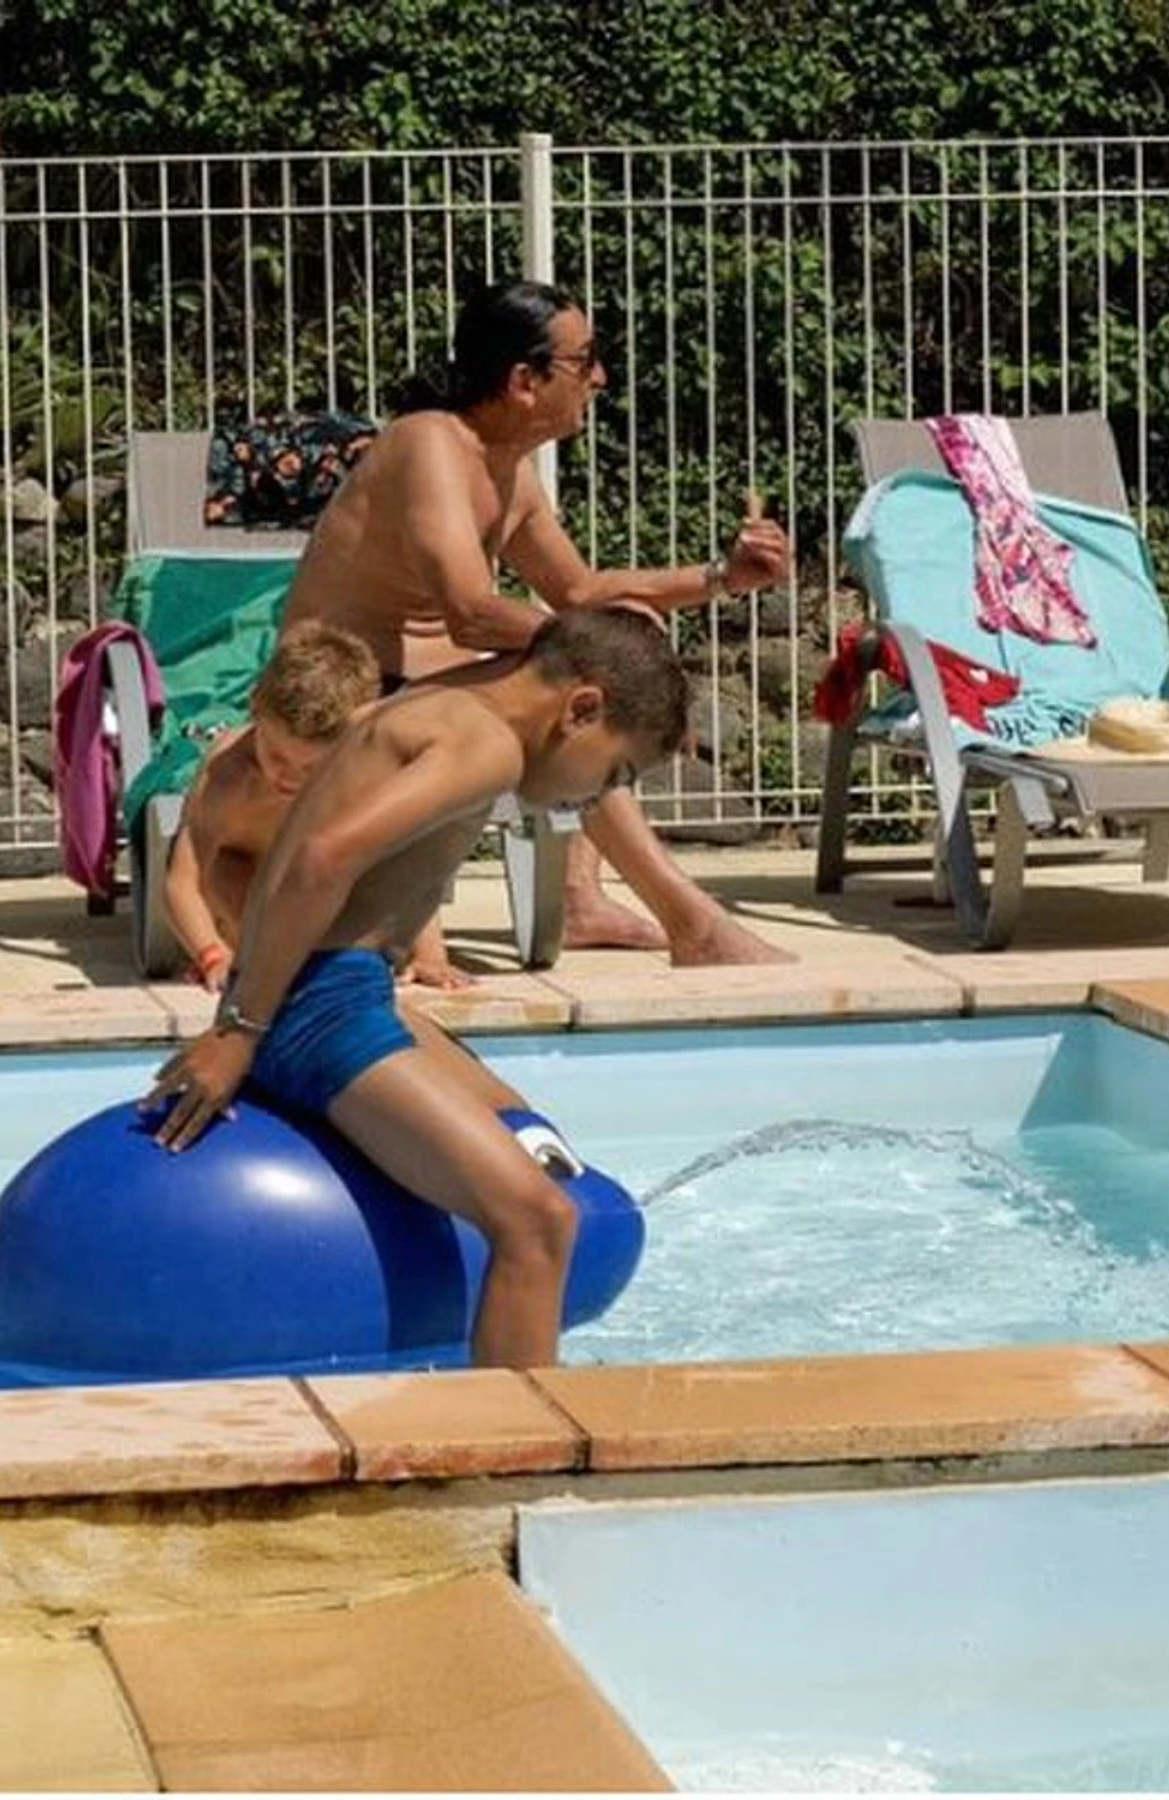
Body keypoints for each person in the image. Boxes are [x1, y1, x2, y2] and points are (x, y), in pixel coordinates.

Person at [145, 606, 689, 1368]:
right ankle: (519, 1432)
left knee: (514, 1120)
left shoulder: (444, 701)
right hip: (318, 1009)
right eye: (613, 774)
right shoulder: (489, 746)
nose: (595, 798)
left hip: (344, 991)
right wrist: (240, 1030)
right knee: (539, 1223)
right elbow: (323, 859)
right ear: (581, 709)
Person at [280, 278, 792, 966]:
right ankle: (685, 919)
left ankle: (589, 898)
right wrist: (615, 653)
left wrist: (722, 577)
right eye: (586, 361)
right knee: (595, 676)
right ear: (525, 380)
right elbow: (470, 612)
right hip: (339, 690)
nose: (600, 378)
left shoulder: (508, 471)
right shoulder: (429, 444)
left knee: (608, 655)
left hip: (420, 684)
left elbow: (577, 589)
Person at [161, 620, 466, 993]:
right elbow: (181, 883)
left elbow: (405, 862)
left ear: (357, 735)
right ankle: (253, 952)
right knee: (231, 876)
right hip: (247, 888)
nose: (286, 776)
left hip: (318, 881)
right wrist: (211, 954)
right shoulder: (228, 776)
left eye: (310, 768)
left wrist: (429, 955)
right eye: (275, 754)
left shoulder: (362, 769)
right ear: (255, 710)